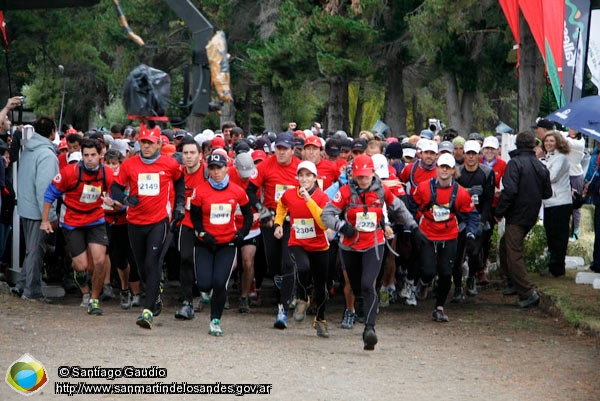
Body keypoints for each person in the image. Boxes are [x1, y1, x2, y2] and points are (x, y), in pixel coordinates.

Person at [322, 154, 419, 350]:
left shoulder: (382, 190)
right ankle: (360, 309)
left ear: (373, 174)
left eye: (366, 176)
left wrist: (414, 227)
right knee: (356, 286)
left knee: (368, 284)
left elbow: (398, 208)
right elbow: (326, 214)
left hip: (374, 243)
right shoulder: (345, 191)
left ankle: (369, 329)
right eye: (359, 176)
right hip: (349, 245)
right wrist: (342, 226)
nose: (363, 180)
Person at [110, 123, 186, 329]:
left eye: (150, 143)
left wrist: (179, 204)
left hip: (159, 221)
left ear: (159, 144)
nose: (146, 146)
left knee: (153, 263)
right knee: (142, 267)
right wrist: (125, 199)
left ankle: (147, 311)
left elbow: (180, 182)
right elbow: (115, 189)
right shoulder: (129, 164)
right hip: (135, 222)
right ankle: (155, 294)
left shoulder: (169, 164)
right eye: (143, 142)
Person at [41, 138, 113, 315]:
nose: (89, 159)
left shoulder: (107, 173)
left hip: (96, 219)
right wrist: (45, 220)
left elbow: (118, 194)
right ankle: (84, 291)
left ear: (100, 155)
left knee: (100, 261)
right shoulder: (69, 172)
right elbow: (50, 194)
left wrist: (115, 203)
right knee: (82, 266)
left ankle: (94, 300)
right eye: (86, 155)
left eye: (93, 155)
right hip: (72, 221)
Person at [190, 152, 252, 336]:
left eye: (219, 168)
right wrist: (202, 233)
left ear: (227, 169)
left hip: (227, 243)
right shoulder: (200, 191)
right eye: (212, 169)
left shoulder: (237, 191)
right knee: (204, 283)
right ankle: (204, 292)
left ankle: (215, 320)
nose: (216, 172)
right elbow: (195, 217)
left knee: (219, 283)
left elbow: (248, 216)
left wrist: (242, 234)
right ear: (208, 170)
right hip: (204, 243)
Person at [413, 153, 479, 322]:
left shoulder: (461, 193)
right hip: (427, 233)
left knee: (445, 272)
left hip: (449, 235)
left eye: (447, 168)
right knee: (428, 271)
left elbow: (472, 215)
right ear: (436, 169)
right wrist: (412, 227)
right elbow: (412, 206)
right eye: (441, 166)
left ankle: (439, 307)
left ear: (453, 170)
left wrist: (471, 234)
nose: (444, 170)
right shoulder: (423, 188)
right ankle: (423, 281)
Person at [246, 132, 300, 329]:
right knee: (274, 266)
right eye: (278, 148)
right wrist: (262, 211)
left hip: (292, 222)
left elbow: (312, 191)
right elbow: (250, 190)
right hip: (270, 221)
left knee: (288, 262)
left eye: (286, 149)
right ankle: (286, 290)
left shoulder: (300, 168)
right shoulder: (265, 166)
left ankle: (283, 308)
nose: (282, 152)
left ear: (293, 150)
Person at [274, 160, 331, 337]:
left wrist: (309, 200)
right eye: (301, 175)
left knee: (321, 286)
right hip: (297, 242)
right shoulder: (290, 194)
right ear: (297, 177)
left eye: (308, 175)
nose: (304, 179)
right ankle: (302, 297)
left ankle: (320, 319)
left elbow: (322, 223)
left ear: (315, 178)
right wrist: (278, 223)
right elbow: (282, 206)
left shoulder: (322, 197)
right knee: (302, 267)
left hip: (319, 246)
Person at [495, 131, 552, 308]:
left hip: (517, 214)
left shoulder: (515, 163)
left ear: (517, 145)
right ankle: (513, 282)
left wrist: (499, 211)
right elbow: (547, 193)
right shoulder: (540, 165)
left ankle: (527, 292)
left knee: (513, 251)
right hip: (531, 213)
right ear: (533, 145)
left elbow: (510, 191)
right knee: (506, 246)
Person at [11, 117, 59, 302]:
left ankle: (22, 284)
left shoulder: (30, 150)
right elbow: (46, 188)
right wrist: (50, 215)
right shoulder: (46, 155)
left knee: (31, 250)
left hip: (26, 207)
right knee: (36, 251)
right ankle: (32, 291)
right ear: (53, 132)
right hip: (39, 212)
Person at [452, 140, 494, 301]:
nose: (470, 157)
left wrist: (482, 222)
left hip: (478, 217)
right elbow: (453, 196)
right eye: (468, 153)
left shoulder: (487, 172)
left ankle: (471, 278)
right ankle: (457, 288)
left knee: (475, 253)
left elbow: (489, 200)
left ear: (479, 155)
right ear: (463, 154)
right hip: (461, 218)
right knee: (456, 256)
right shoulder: (457, 172)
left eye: (473, 154)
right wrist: (468, 192)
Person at [103, 149, 141, 310]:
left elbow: (131, 201)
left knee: (132, 258)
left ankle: (136, 293)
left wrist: (117, 204)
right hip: (107, 222)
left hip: (127, 222)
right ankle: (124, 290)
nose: (112, 167)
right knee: (118, 259)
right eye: (108, 163)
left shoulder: (126, 179)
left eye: (114, 164)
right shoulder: (102, 179)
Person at [229, 152, 261, 314]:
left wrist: (259, 213)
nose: (245, 177)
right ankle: (223, 293)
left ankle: (244, 296)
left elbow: (262, 197)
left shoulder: (256, 176)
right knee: (231, 264)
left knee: (248, 262)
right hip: (230, 226)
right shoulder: (227, 174)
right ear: (235, 167)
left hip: (251, 227)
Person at [540, 131, 572, 277]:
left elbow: (551, 177)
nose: (548, 144)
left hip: (560, 202)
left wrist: (541, 167)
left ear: (558, 142)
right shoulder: (548, 157)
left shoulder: (561, 158)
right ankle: (553, 266)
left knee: (559, 236)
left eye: (551, 141)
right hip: (549, 202)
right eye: (546, 141)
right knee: (551, 235)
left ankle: (557, 268)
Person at [564, 128, 585, 240]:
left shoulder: (580, 142)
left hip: (575, 175)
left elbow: (563, 140)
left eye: (573, 128)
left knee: (575, 205)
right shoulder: (566, 136)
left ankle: (576, 231)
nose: (570, 129)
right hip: (564, 174)